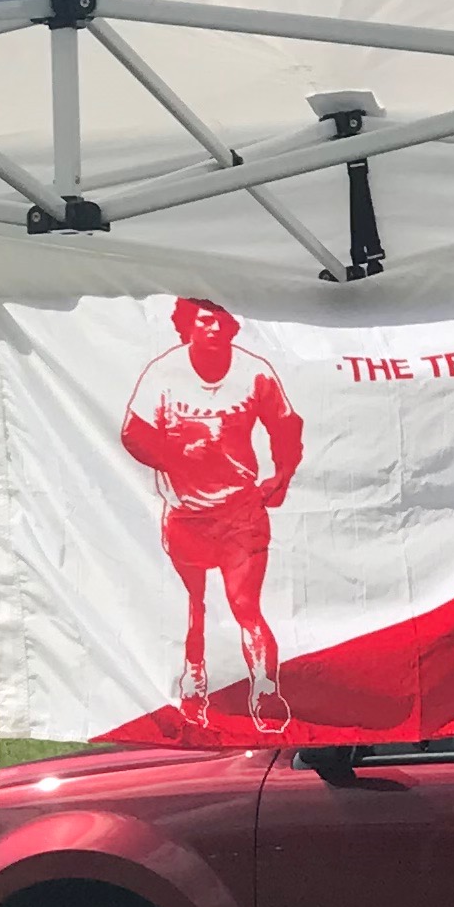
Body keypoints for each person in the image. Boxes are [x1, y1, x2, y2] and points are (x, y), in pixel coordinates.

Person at [119, 296, 304, 734]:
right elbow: (132, 433)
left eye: (222, 320)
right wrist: (177, 453)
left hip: (240, 511)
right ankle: (193, 687)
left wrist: (282, 476)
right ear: (187, 326)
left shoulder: (253, 372)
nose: (215, 328)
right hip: (186, 515)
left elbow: (286, 425)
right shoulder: (164, 373)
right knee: (192, 607)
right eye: (205, 321)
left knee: (245, 605)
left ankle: (265, 690)